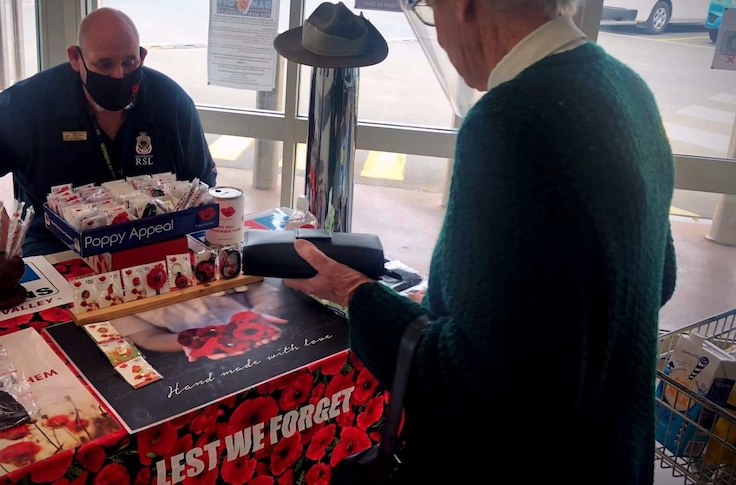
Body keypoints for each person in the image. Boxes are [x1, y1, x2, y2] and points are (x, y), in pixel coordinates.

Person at [283, 0, 677, 483]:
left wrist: (355, 293)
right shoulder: (627, 86)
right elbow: (659, 278)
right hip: (613, 455)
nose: (441, 36)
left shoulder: (509, 121)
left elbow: (475, 383)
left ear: (463, 6)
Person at [0, 7, 217, 261]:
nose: (118, 75)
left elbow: (202, 185)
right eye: (105, 64)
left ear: (142, 57)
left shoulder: (171, 101)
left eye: (129, 62)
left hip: (153, 246)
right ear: (76, 58)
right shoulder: (29, 103)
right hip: (55, 250)